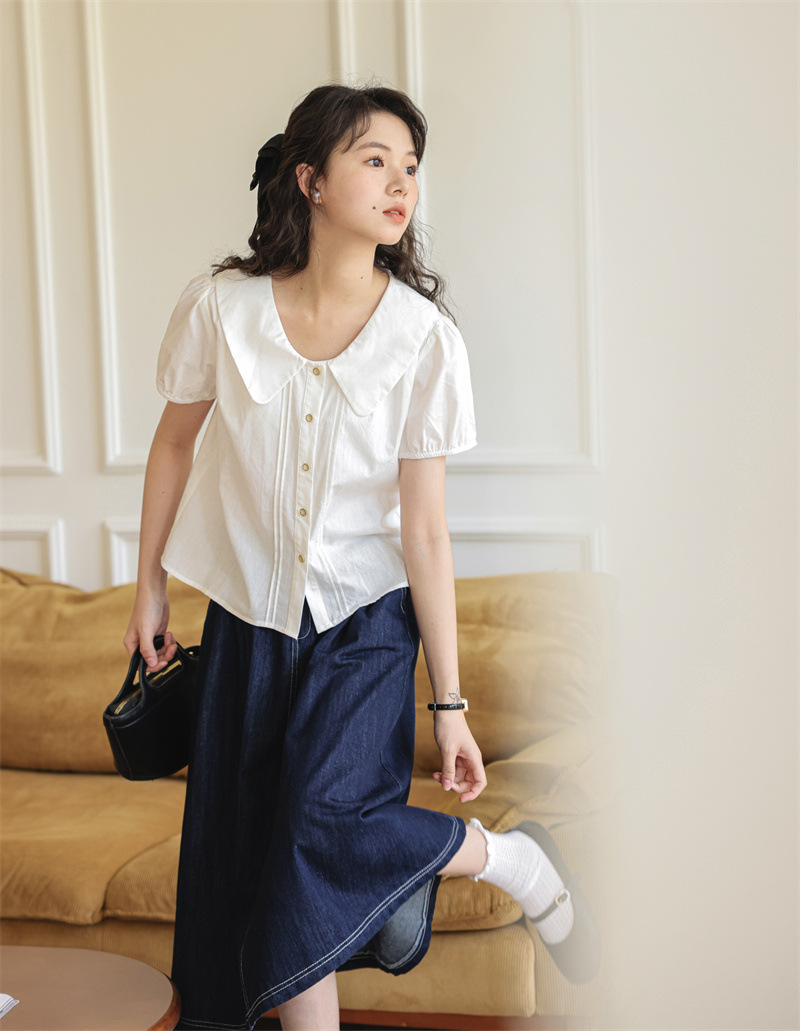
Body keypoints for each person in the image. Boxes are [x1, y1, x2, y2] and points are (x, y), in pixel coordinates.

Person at [124, 81, 599, 1031]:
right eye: (375, 161)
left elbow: (425, 530)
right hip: (249, 624)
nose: (400, 184)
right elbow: (173, 443)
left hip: (366, 627)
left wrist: (449, 703)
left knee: (322, 827)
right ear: (311, 180)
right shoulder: (221, 308)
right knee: (251, 860)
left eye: (410, 166)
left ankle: (513, 859)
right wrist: (150, 585)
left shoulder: (424, 340)